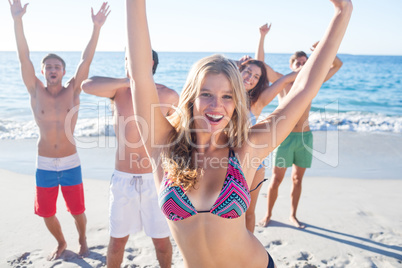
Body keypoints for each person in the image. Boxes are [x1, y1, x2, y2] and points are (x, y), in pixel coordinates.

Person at [126, 0, 352, 267]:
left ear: (236, 103)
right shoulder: (164, 144)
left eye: (227, 96)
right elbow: (139, 76)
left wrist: (342, 13)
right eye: (206, 94)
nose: (216, 106)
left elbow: (303, 88)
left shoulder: (248, 147)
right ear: (190, 98)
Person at [9, 0, 109, 260]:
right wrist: (17, 21)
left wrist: (96, 28)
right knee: (45, 212)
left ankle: (83, 238)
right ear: (42, 72)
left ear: (64, 71)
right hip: (43, 163)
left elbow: (87, 59)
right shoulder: (35, 91)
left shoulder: (73, 91)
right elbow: (23, 57)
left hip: (70, 161)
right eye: (48, 67)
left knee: (77, 210)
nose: (53, 70)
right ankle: (62, 241)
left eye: (57, 66)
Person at [81, 50, 178, 268]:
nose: (127, 63)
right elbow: (87, 85)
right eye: (126, 60)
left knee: (161, 242)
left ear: (150, 62)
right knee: (117, 242)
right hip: (123, 180)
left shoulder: (168, 95)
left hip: (155, 180)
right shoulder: (119, 91)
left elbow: (179, 136)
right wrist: (130, 80)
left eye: (132, 58)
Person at [256, 22, 344, 229]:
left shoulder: (312, 82)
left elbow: (337, 65)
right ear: (291, 65)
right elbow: (260, 64)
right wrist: (262, 37)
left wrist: (323, 45)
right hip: (284, 138)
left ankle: (293, 216)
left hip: (305, 138)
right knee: (276, 180)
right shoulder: (283, 82)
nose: (302, 65)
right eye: (298, 62)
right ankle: (268, 214)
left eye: (305, 62)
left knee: (297, 180)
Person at [234, 58, 298, 233]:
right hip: (225, 162)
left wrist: (313, 68)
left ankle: (247, 251)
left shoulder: (256, 103)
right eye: (247, 72)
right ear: (238, 70)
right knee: (228, 212)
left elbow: (285, 80)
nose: (251, 78)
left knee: (248, 211)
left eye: (256, 76)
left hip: (253, 163)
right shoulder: (223, 95)